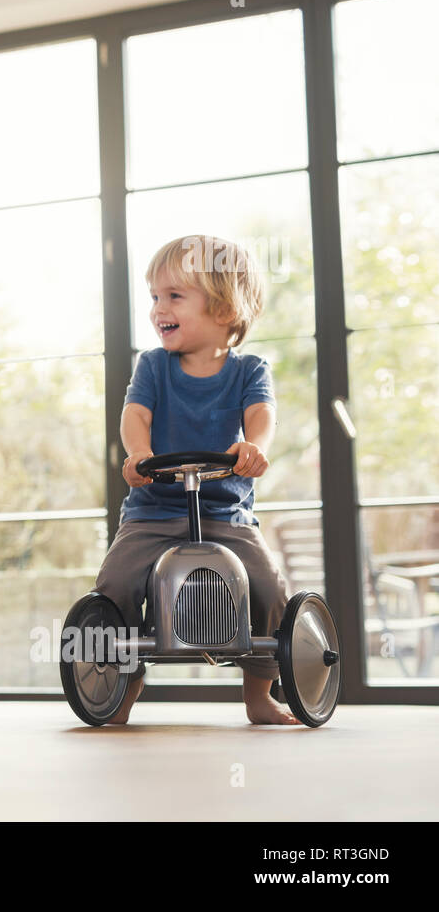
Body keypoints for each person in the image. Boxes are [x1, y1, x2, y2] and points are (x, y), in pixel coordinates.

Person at [94, 234, 299, 725]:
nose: (157, 308)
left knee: (270, 589)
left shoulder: (249, 369)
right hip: (153, 511)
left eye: (174, 296)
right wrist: (139, 454)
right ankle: (121, 688)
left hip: (224, 512)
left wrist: (254, 448)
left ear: (224, 309)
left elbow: (261, 415)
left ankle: (259, 694)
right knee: (116, 583)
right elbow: (135, 415)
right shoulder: (153, 366)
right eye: (154, 297)